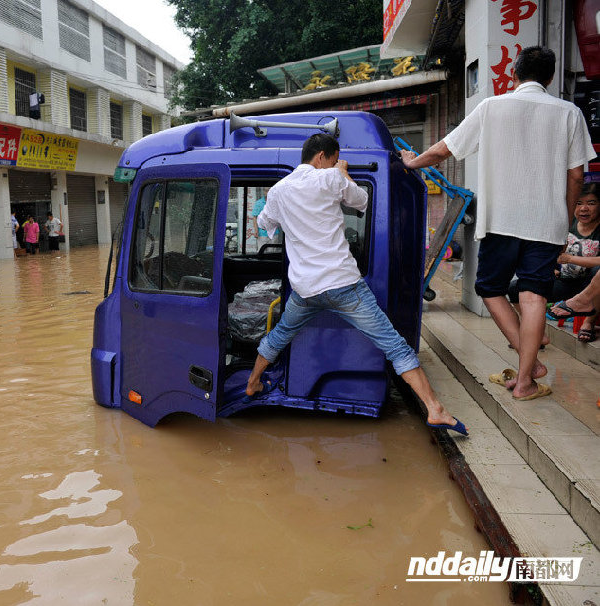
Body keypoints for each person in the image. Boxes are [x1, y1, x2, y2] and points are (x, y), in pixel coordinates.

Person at [401, 46, 595, 400]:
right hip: (547, 223)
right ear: (550, 78)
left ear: (514, 75)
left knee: (490, 289)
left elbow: (445, 148)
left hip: (502, 219)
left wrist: (412, 163)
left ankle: (529, 363)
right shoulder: (570, 113)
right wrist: (563, 219)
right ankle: (527, 378)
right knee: (534, 296)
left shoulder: (491, 107)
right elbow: (577, 177)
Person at [245, 134, 467, 435]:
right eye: (335, 160)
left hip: (305, 290)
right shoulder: (331, 179)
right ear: (322, 156)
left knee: (280, 334)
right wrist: (344, 173)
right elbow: (361, 201)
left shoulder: (279, 191)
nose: (336, 165)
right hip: (344, 285)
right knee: (393, 344)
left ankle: (252, 381)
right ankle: (435, 409)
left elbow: (263, 225)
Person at [510, 183, 600, 342]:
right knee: (514, 289)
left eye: (591, 203)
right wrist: (550, 267)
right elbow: (547, 249)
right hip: (566, 281)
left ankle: (588, 323)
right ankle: (536, 330)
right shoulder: (567, 224)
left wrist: (571, 259)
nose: (584, 208)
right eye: (579, 203)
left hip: (590, 286)